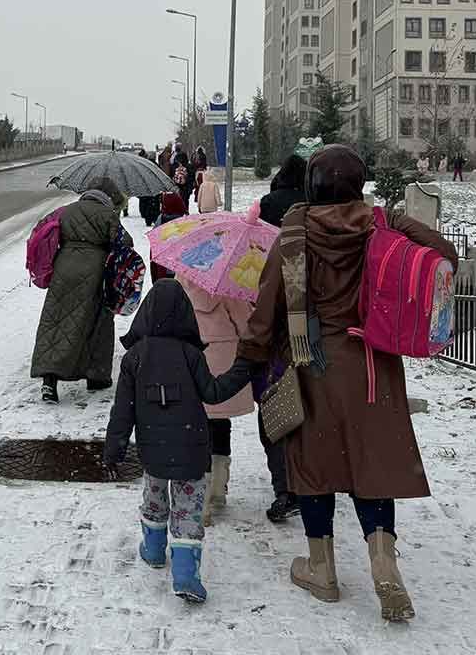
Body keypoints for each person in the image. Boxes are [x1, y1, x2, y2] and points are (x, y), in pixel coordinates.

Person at [208, 144, 458, 622]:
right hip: (371, 364)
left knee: (315, 465)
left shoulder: (292, 237)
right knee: (371, 463)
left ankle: (322, 569)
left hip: (311, 364)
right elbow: (443, 256)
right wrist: (397, 221)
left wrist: (242, 367)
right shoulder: (377, 232)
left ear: (312, 186)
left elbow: (266, 313)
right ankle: (384, 564)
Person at [103, 279, 239, 604]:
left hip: (153, 451)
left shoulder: (135, 357)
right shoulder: (191, 354)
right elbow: (213, 393)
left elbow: (123, 411)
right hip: (191, 447)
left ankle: (152, 550)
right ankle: (185, 574)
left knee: (155, 499)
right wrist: (242, 370)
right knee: (188, 509)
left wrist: (114, 451)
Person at [31, 177, 128, 403]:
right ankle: (97, 377)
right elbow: (125, 244)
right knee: (98, 323)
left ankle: (49, 380)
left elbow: (44, 229)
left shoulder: (66, 211)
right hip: (95, 272)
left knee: (56, 322)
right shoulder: (108, 215)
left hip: (63, 269)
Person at [254, 153, 307, 523]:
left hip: (275, 316)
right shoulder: (315, 211)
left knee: (274, 405)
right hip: (314, 319)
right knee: (311, 406)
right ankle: (311, 480)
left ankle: (285, 487)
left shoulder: (269, 206)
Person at [179, 278, 253, 527]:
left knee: (199, 428)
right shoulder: (228, 282)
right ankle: (217, 490)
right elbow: (245, 323)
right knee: (220, 424)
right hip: (223, 359)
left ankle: (203, 497)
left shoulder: (182, 277)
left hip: (192, 357)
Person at [150, 192, 188, 283]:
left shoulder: (160, 220)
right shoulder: (186, 222)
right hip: (181, 270)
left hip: (163, 269)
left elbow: (153, 249)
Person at [172, 143, 194, 213]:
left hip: (178, 186)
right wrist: (190, 187)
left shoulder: (175, 166)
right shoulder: (189, 166)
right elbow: (191, 177)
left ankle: (179, 211)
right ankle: (186, 210)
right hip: (186, 187)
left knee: (179, 199)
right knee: (186, 199)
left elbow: (172, 175)